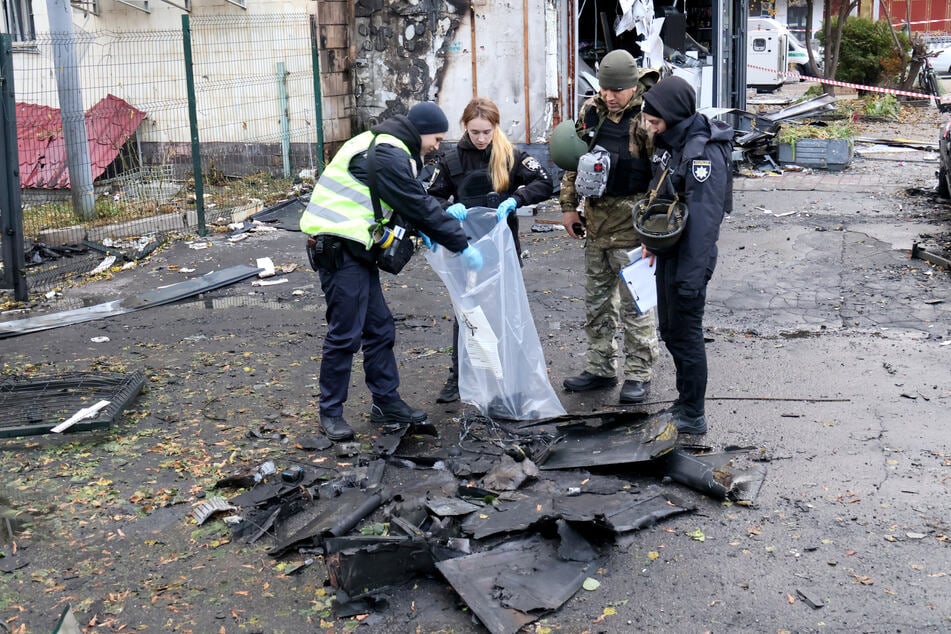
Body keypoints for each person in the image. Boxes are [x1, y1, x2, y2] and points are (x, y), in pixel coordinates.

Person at [300, 102, 485, 441]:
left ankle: (386, 403)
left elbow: (401, 201)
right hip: (339, 249)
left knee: (379, 328)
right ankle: (330, 412)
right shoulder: (388, 152)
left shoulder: (387, 145)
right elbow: (415, 203)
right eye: (437, 138)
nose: (437, 146)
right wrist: (460, 244)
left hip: (355, 250)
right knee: (345, 334)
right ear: (422, 131)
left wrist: (431, 219)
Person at [427, 97, 553, 403]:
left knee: (506, 313)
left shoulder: (510, 155)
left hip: (502, 247)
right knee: (467, 314)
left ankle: (509, 375)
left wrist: (517, 199)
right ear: (465, 128)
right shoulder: (451, 161)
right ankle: (460, 376)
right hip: (467, 250)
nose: (481, 138)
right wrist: (449, 207)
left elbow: (545, 180)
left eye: (487, 131)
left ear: (495, 127)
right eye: (475, 132)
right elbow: (429, 197)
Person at [559, 49, 660, 404]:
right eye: (604, 89)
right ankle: (600, 367)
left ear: (633, 86)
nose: (609, 96)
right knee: (597, 303)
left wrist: (654, 232)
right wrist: (570, 208)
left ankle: (638, 374)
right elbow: (574, 162)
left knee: (637, 305)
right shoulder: (591, 112)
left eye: (616, 90)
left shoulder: (648, 118)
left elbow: (661, 178)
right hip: (597, 225)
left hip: (633, 229)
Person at [638, 75, 734, 435]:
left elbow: (705, 222)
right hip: (671, 252)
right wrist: (653, 237)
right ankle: (683, 402)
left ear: (674, 114)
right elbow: (661, 191)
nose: (649, 126)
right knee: (671, 331)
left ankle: (693, 413)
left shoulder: (702, 153)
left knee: (686, 333)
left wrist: (690, 280)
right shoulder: (671, 141)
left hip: (690, 259)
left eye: (654, 119)